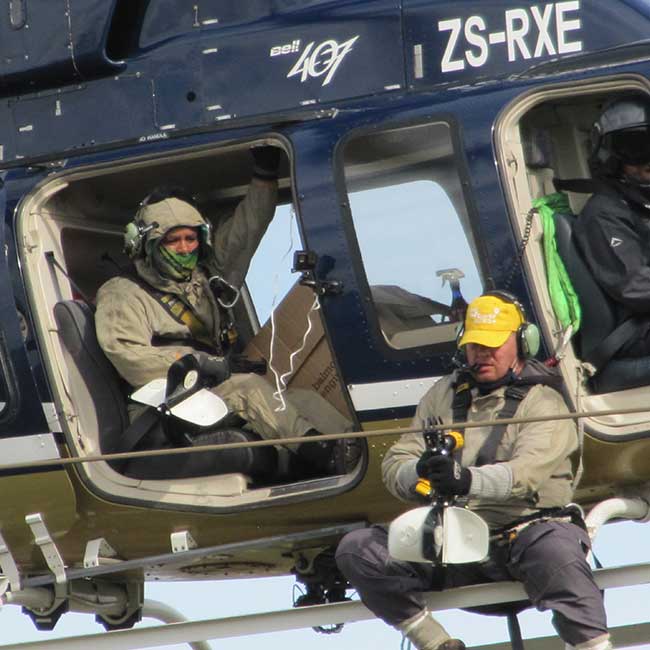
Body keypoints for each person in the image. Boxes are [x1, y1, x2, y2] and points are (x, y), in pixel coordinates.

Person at [336, 291, 610, 650]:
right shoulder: (442, 395)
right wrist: (417, 472)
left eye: (492, 345)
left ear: (521, 342)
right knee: (357, 550)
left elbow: (524, 474)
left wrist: (464, 480)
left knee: (559, 556)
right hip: (454, 542)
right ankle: (435, 643)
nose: (481, 354)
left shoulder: (545, 402)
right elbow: (396, 460)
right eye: (474, 345)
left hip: (525, 538)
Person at [95, 145, 355, 479]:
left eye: (191, 239)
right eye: (174, 240)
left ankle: (352, 453)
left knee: (301, 398)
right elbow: (129, 356)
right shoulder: (122, 294)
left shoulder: (204, 277)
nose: (186, 248)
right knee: (248, 389)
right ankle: (324, 458)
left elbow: (245, 233)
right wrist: (205, 365)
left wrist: (263, 176)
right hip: (160, 404)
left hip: (203, 393)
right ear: (147, 243)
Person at [573, 94, 650, 359]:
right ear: (611, 156)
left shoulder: (638, 203)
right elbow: (636, 286)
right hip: (636, 329)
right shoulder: (603, 213)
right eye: (636, 148)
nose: (647, 160)